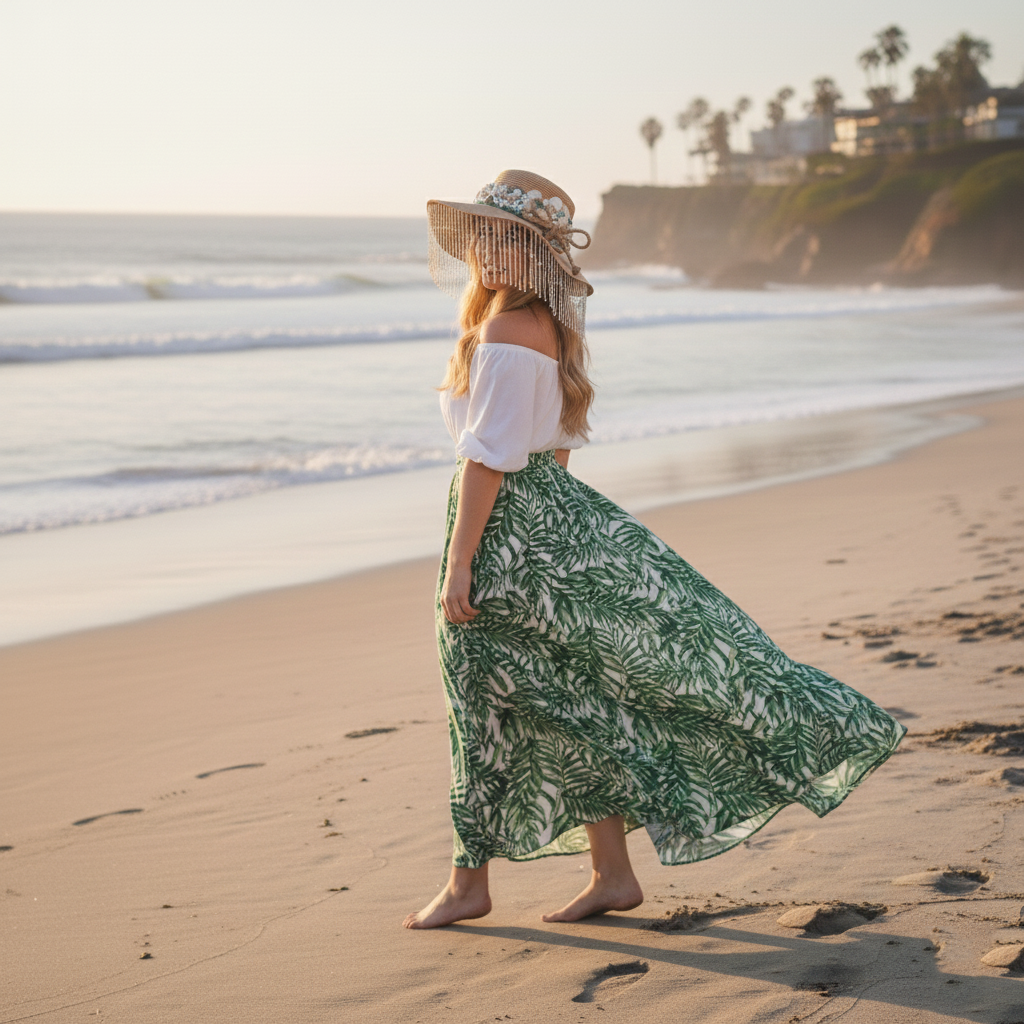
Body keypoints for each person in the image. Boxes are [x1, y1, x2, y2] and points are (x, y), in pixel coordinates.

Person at [403, 170, 905, 930]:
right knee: (577, 704)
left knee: (480, 704)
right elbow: (557, 451)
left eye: (505, 237)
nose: (488, 251)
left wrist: (466, 559)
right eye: (484, 237)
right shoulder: (545, 326)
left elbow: (489, 458)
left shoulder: (506, 331)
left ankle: (470, 884)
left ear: (535, 250)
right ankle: (609, 874)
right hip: (552, 521)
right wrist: (560, 545)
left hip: (505, 530)